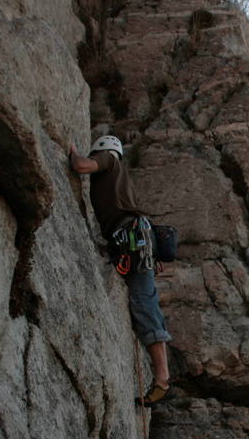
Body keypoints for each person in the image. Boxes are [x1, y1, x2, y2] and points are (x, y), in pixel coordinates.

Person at [69, 135, 172, 406]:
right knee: (144, 299)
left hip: (132, 239)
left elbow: (82, 167)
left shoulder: (110, 160)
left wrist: (70, 149)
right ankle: (161, 373)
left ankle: (162, 377)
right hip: (133, 239)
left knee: (142, 300)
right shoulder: (120, 178)